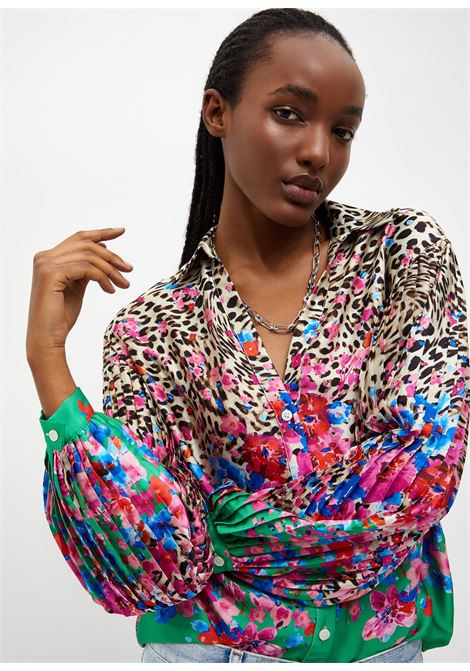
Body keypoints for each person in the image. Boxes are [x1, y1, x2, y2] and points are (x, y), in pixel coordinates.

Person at [26, 8, 469, 665]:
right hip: (203, 651)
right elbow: (152, 568)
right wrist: (47, 361)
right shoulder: (152, 328)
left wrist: (219, 532)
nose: (319, 152)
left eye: (342, 130)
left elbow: (421, 477)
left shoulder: (400, 255)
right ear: (217, 112)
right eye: (289, 113)